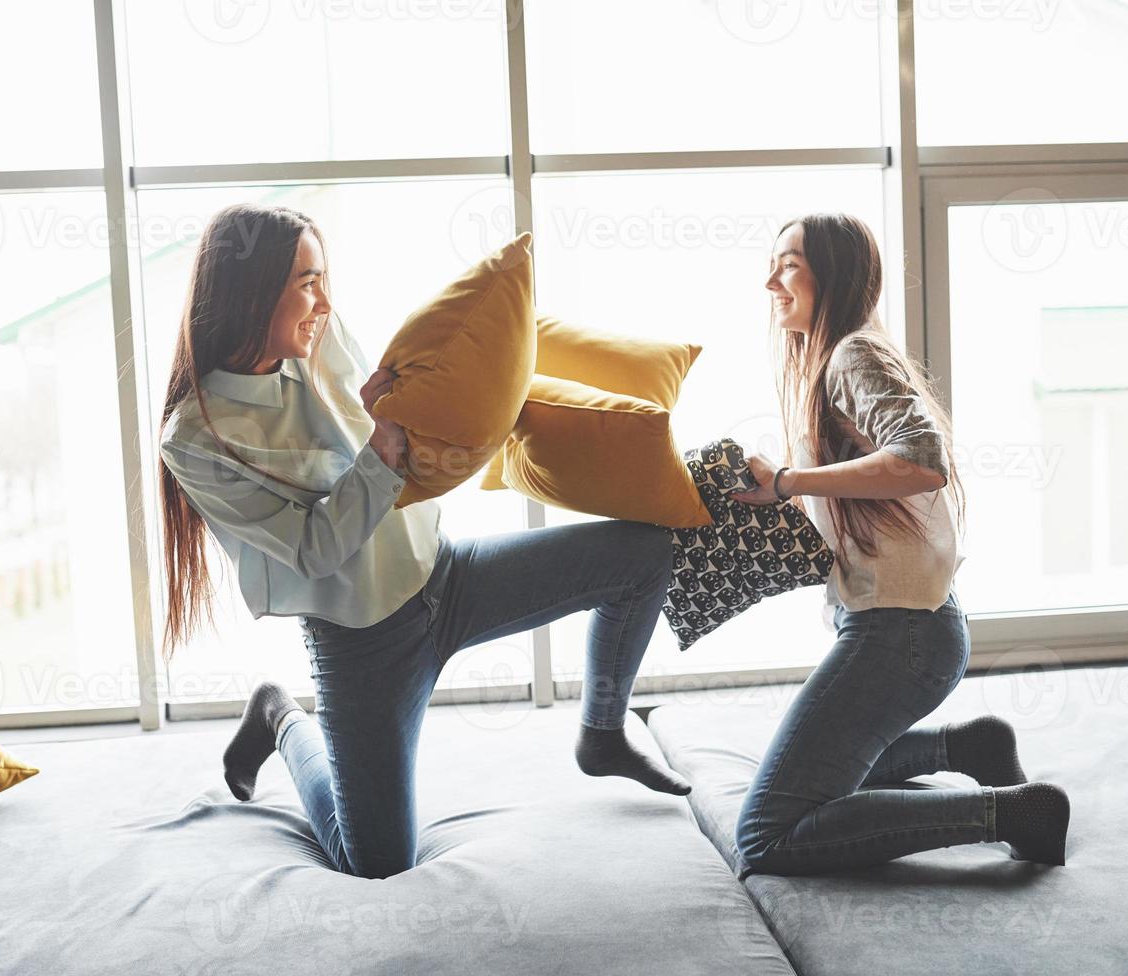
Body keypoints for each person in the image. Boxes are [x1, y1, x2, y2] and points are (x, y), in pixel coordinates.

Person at [157, 203, 690, 880]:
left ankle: (603, 732)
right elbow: (316, 547)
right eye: (306, 282)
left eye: (324, 278)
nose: (323, 301)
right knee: (375, 862)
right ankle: (278, 715)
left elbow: (388, 420)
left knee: (643, 557)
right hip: (364, 643)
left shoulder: (319, 338)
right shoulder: (196, 438)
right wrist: (379, 449)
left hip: (447, 578)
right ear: (249, 289)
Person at [728, 213, 1070, 875]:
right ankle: (965, 748)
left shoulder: (852, 352)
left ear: (834, 275)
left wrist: (789, 480)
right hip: (904, 629)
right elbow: (856, 493)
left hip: (901, 637)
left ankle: (1011, 813)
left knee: (767, 835)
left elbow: (920, 459)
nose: (771, 280)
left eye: (789, 264)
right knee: (812, 784)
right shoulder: (828, 362)